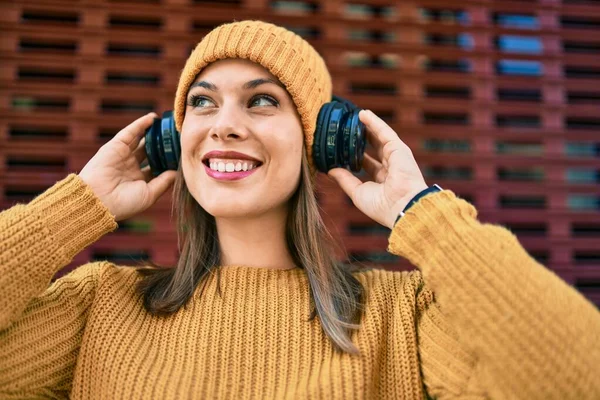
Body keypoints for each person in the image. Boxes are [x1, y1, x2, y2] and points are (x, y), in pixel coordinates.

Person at [0, 20, 599, 400]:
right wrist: (74, 209)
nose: (224, 125)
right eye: (202, 104)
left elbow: (576, 377)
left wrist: (424, 215)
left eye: (261, 101)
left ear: (321, 141)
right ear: (170, 144)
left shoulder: (402, 322)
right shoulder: (98, 307)